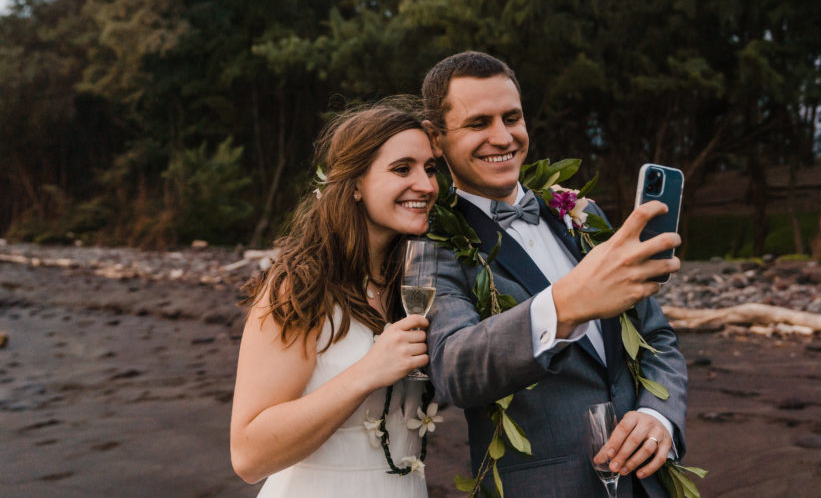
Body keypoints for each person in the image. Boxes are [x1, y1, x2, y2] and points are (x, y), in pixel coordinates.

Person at [421, 51, 689, 497]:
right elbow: (455, 367)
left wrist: (660, 416)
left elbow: (657, 337)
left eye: (512, 117)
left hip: (649, 482)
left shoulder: (580, 213)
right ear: (435, 138)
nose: (502, 137)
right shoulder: (433, 244)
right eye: (478, 123)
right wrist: (565, 304)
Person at [230, 103, 439, 497]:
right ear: (355, 183)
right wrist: (366, 373)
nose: (426, 185)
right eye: (402, 169)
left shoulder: (414, 282)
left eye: (430, 169)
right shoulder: (299, 287)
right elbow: (248, 456)